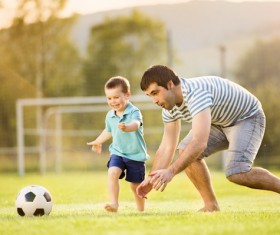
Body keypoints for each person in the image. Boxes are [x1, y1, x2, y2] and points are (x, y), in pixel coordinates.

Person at [136, 64, 280, 212]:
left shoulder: (196, 94)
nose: (154, 100)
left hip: (246, 117)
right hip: (219, 122)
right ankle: (211, 206)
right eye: (150, 96)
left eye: (155, 93)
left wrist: (171, 171)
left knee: (237, 173)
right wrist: (151, 179)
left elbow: (199, 143)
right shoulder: (168, 107)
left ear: (170, 84)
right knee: (185, 150)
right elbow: (167, 146)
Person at [87, 76, 149, 212]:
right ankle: (114, 204)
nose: (112, 101)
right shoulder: (110, 115)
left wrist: (127, 127)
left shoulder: (134, 111)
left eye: (116, 97)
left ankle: (141, 210)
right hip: (118, 152)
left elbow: (136, 124)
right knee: (112, 172)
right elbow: (108, 130)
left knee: (135, 186)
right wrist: (98, 141)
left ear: (127, 95)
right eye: (109, 98)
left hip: (135, 155)